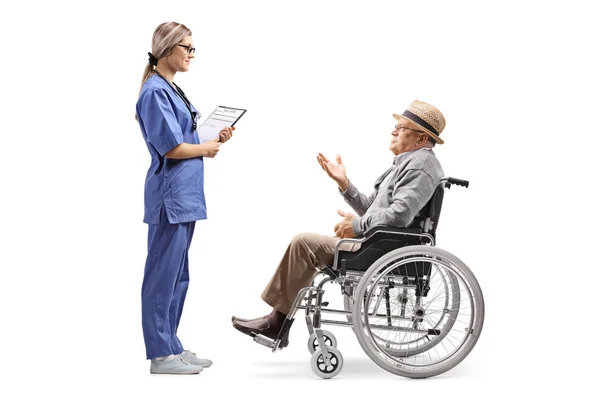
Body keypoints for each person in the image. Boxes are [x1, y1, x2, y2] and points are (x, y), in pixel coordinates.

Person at [232, 99, 445, 347]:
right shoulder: (407, 164)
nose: (393, 131)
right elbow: (372, 208)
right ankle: (278, 321)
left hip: (386, 248)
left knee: (303, 243)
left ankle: (277, 322)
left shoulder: (421, 165)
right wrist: (345, 184)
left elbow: (399, 215)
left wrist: (356, 226)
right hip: (379, 243)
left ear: (420, 139)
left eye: (401, 127)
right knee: (307, 245)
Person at [136, 22, 234, 375]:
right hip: (170, 197)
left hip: (186, 196)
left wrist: (212, 137)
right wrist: (205, 149)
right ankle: (160, 355)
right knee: (162, 276)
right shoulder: (154, 93)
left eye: (193, 49)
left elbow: (184, 136)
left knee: (178, 275)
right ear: (167, 49)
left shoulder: (172, 90)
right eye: (187, 48)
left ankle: (172, 346)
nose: (192, 55)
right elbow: (171, 147)